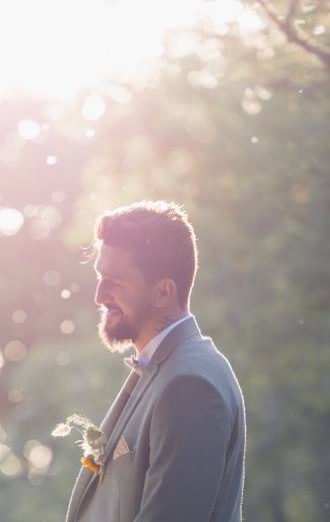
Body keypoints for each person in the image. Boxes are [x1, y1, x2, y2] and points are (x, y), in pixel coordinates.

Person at [66, 201, 246, 522]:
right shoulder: (163, 369)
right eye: (99, 277)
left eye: (115, 282)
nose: (99, 295)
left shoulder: (190, 385)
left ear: (163, 292)